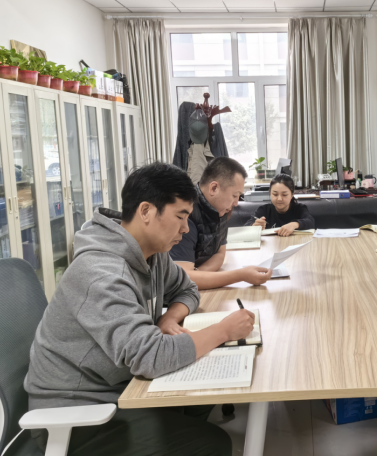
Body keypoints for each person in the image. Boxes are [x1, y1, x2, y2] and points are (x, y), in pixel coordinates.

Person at [23, 163, 256, 456]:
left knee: (199, 399)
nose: (186, 228)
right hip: (78, 414)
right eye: (180, 216)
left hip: (120, 387)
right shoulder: (101, 273)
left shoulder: (152, 254)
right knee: (213, 444)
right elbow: (151, 356)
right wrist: (223, 331)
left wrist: (169, 317)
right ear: (146, 211)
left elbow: (187, 289)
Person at [169, 157, 272, 289]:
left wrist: (200, 276)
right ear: (214, 188)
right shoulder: (185, 215)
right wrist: (240, 275)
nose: (236, 203)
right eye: (234, 195)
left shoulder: (220, 210)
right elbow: (183, 279)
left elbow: (219, 254)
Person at [245, 173, 315, 236]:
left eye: (284, 195)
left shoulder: (299, 209)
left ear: (292, 195)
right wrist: (254, 226)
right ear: (270, 193)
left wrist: (294, 224)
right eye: (275, 194)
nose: (279, 199)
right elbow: (246, 227)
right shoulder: (264, 210)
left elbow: (310, 222)